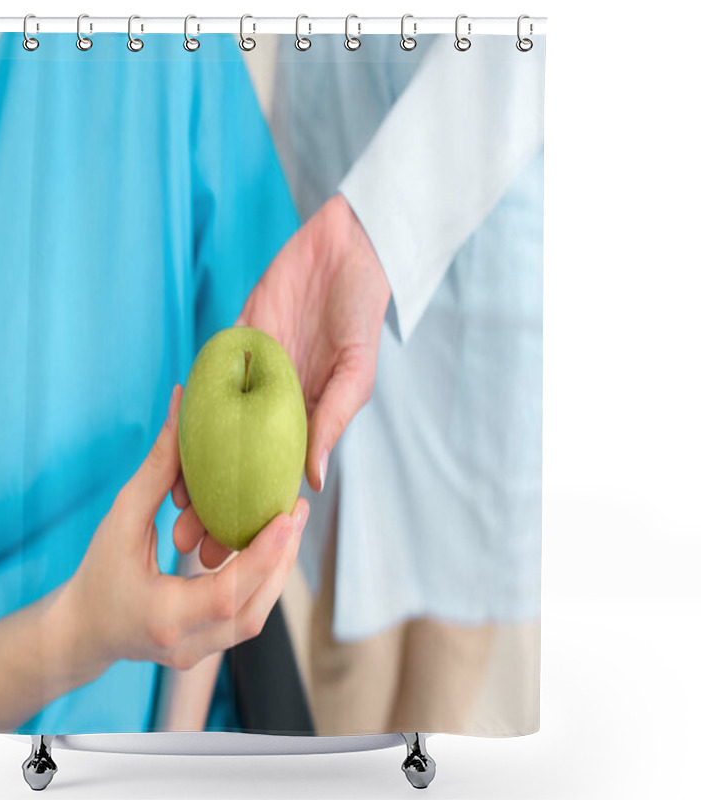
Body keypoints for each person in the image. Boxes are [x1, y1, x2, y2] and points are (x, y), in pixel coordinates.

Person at [0, 31, 308, 734]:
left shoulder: (161, 49)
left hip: (173, 709)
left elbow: (251, 357)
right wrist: (80, 635)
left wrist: (170, 758)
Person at [234, 34, 545, 734]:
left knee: (460, 614)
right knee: (353, 616)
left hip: (490, 231)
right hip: (326, 180)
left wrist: (382, 222)